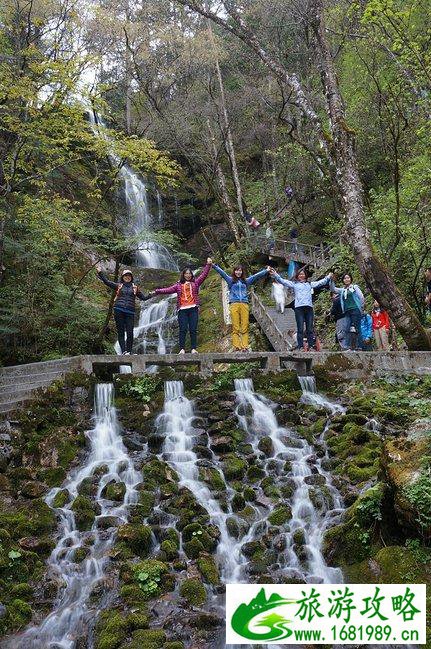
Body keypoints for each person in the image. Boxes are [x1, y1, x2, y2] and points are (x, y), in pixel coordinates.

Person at [150, 259, 212, 354]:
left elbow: (203, 275)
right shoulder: (178, 285)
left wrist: (208, 265)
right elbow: (167, 290)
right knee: (183, 329)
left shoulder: (195, 283)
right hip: (182, 310)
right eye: (186, 273)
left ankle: (193, 349)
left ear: (192, 275)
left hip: (193, 309)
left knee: (193, 329)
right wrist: (156, 291)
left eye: (189, 273)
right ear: (183, 275)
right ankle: (182, 349)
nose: (188, 275)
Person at [269, 267, 332, 350]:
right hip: (299, 308)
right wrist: (275, 275)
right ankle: (300, 346)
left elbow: (320, 283)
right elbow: (283, 281)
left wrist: (328, 277)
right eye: (300, 274)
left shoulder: (309, 284)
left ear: (305, 275)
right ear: (297, 276)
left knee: (309, 328)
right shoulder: (294, 284)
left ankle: (311, 346)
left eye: (303, 274)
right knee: (300, 328)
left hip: (309, 308)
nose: (301, 275)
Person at [213, 263, 269, 351]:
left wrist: (266, 270)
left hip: (244, 304)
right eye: (236, 270)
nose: (238, 272)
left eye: (240, 270)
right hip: (234, 304)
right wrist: (214, 265)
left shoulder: (246, 281)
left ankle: (244, 346)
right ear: (234, 271)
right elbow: (222, 273)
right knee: (235, 325)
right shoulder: (230, 280)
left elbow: (256, 276)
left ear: (242, 272)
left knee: (245, 324)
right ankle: (237, 346)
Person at [96, 268, 150, 355]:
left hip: (130, 312)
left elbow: (143, 298)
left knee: (130, 333)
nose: (127, 277)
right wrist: (100, 272)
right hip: (119, 310)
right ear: (122, 277)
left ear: (131, 277)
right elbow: (107, 282)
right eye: (125, 275)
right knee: (121, 332)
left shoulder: (135, 288)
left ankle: (129, 351)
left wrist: (152, 294)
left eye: (129, 276)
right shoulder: (119, 286)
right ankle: (124, 351)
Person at [329, 273, 365, 350]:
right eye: (345, 278)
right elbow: (333, 289)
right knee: (347, 328)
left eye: (348, 278)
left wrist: (361, 307)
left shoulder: (354, 287)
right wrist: (331, 280)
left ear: (351, 279)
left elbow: (361, 297)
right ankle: (350, 347)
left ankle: (359, 347)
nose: (346, 279)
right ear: (343, 280)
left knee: (357, 328)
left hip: (355, 310)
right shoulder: (343, 290)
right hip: (347, 312)